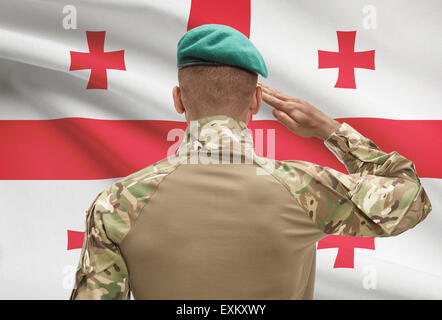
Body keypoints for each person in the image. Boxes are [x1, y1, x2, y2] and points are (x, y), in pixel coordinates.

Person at [70, 24, 432, 300]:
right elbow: (412, 198)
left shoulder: (116, 204)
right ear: (257, 100)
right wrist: (329, 129)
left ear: (178, 99)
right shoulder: (306, 189)